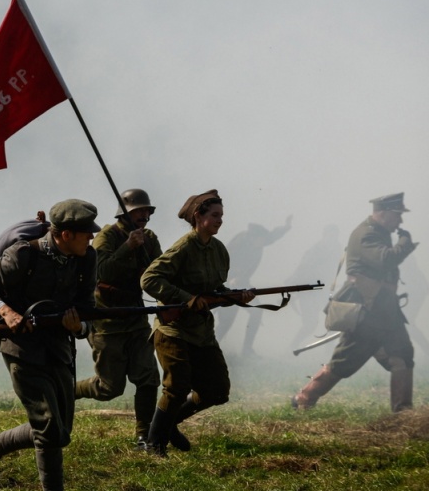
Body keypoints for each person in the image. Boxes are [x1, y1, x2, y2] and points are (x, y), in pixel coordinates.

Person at [0, 199, 98, 491]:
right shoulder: (25, 255)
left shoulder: (87, 258)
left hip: (59, 347)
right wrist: (6, 312)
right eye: (86, 232)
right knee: (50, 430)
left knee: (61, 432)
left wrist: (79, 326)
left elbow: (87, 309)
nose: (91, 237)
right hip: (22, 348)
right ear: (66, 235)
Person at [140, 190, 254, 457]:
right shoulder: (183, 248)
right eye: (215, 215)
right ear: (198, 216)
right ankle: (154, 443)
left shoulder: (219, 250)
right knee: (177, 386)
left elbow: (214, 289)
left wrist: (235, 296)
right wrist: (186, 298)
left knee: (217, 390)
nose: (220, 221)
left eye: (221, 216)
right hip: (173, 331)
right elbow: (149, 279)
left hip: (202, 332)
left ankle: (168, 424)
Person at [292, 193, 418, 412]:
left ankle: (403, 412)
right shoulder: (366, 235)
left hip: (386, 313)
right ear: (382, 213)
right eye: (397, 215)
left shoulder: (379, 233)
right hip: (366, 313)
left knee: (403, 357)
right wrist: (405, 243)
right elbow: (386, 259)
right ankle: (303, 398)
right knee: (343, 362)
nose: (400, 221)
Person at [74, 189, 162, 449]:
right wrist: (127, 248)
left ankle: (144, 436)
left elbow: (156, 272)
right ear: (125, 212)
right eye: (139, 211)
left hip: (135, 317)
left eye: (147, 211)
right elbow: (99, 272)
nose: (144, 215)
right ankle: (68, 391)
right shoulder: (106, 237)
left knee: (148, 377)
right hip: (106, 320)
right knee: (109, 388)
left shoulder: (149, 238)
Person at [214, 216, 292, 358]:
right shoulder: (239, 243)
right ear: (252, 237)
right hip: (225, 284)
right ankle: (210, 349)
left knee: (257, 312)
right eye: (261, 240)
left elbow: (272, 236)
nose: (263, 243)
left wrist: (286, 227)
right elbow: (221, 261)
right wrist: (231, 277)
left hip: (243, 284)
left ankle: (247, 349)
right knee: (226, 322)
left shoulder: (259, 241)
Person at [288, 224, 343, 352]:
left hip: (323, 291)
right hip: (309, 291)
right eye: (330, 235)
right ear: (324, 236)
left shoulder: (337, 249)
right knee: (310, 324)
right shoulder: (315, 250)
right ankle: (292, 347)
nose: (332, 239)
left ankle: (329, 350)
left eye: (335, 236)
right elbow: (302, 269)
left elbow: (333, 269)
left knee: (333, 319)